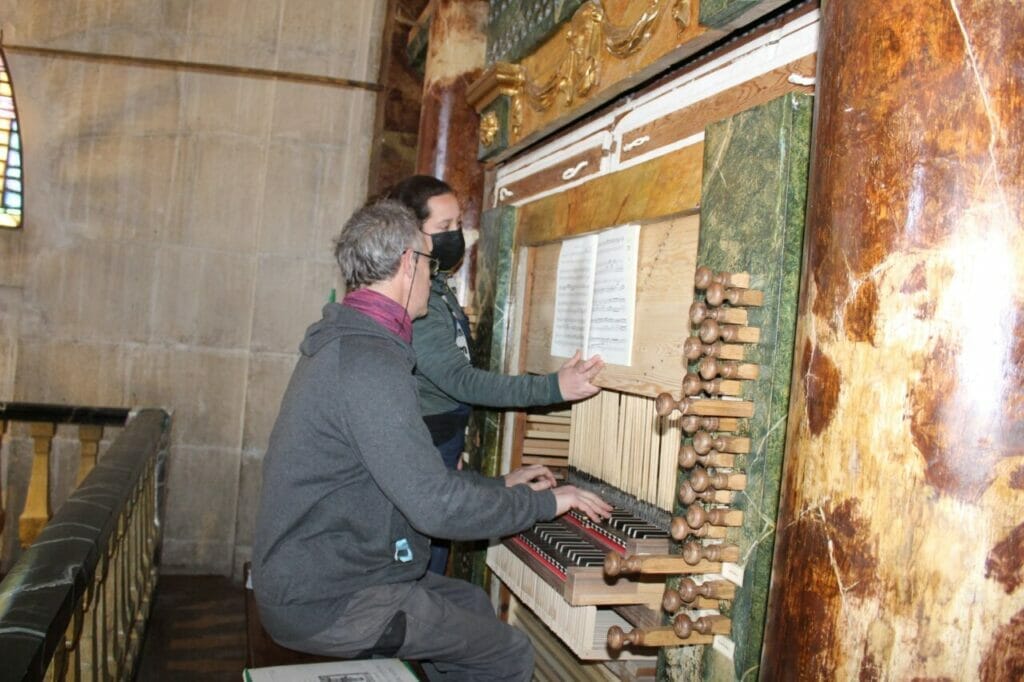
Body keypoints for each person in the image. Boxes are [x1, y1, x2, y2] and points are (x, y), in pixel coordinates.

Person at [251, 200, 611, 681]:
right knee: (506, 653)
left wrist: (502, 486)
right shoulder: (369, 362)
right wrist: (545, 504)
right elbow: (435, 508)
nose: (434, 276)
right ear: (407, 263)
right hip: (328, 599)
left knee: (470, 602)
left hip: (328, 574)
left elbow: (405, 474)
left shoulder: (353, 343)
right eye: (429, 262)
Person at [386, 175, 605, 574]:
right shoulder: (419, 302)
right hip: (431, 443)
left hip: (442, 442)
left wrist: (495, 481)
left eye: (458, 225)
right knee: (422, 570)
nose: (458, 237)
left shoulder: (435, 285)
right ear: (411, 234)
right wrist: (555, 386)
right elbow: (463, 381)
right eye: (445, 228)